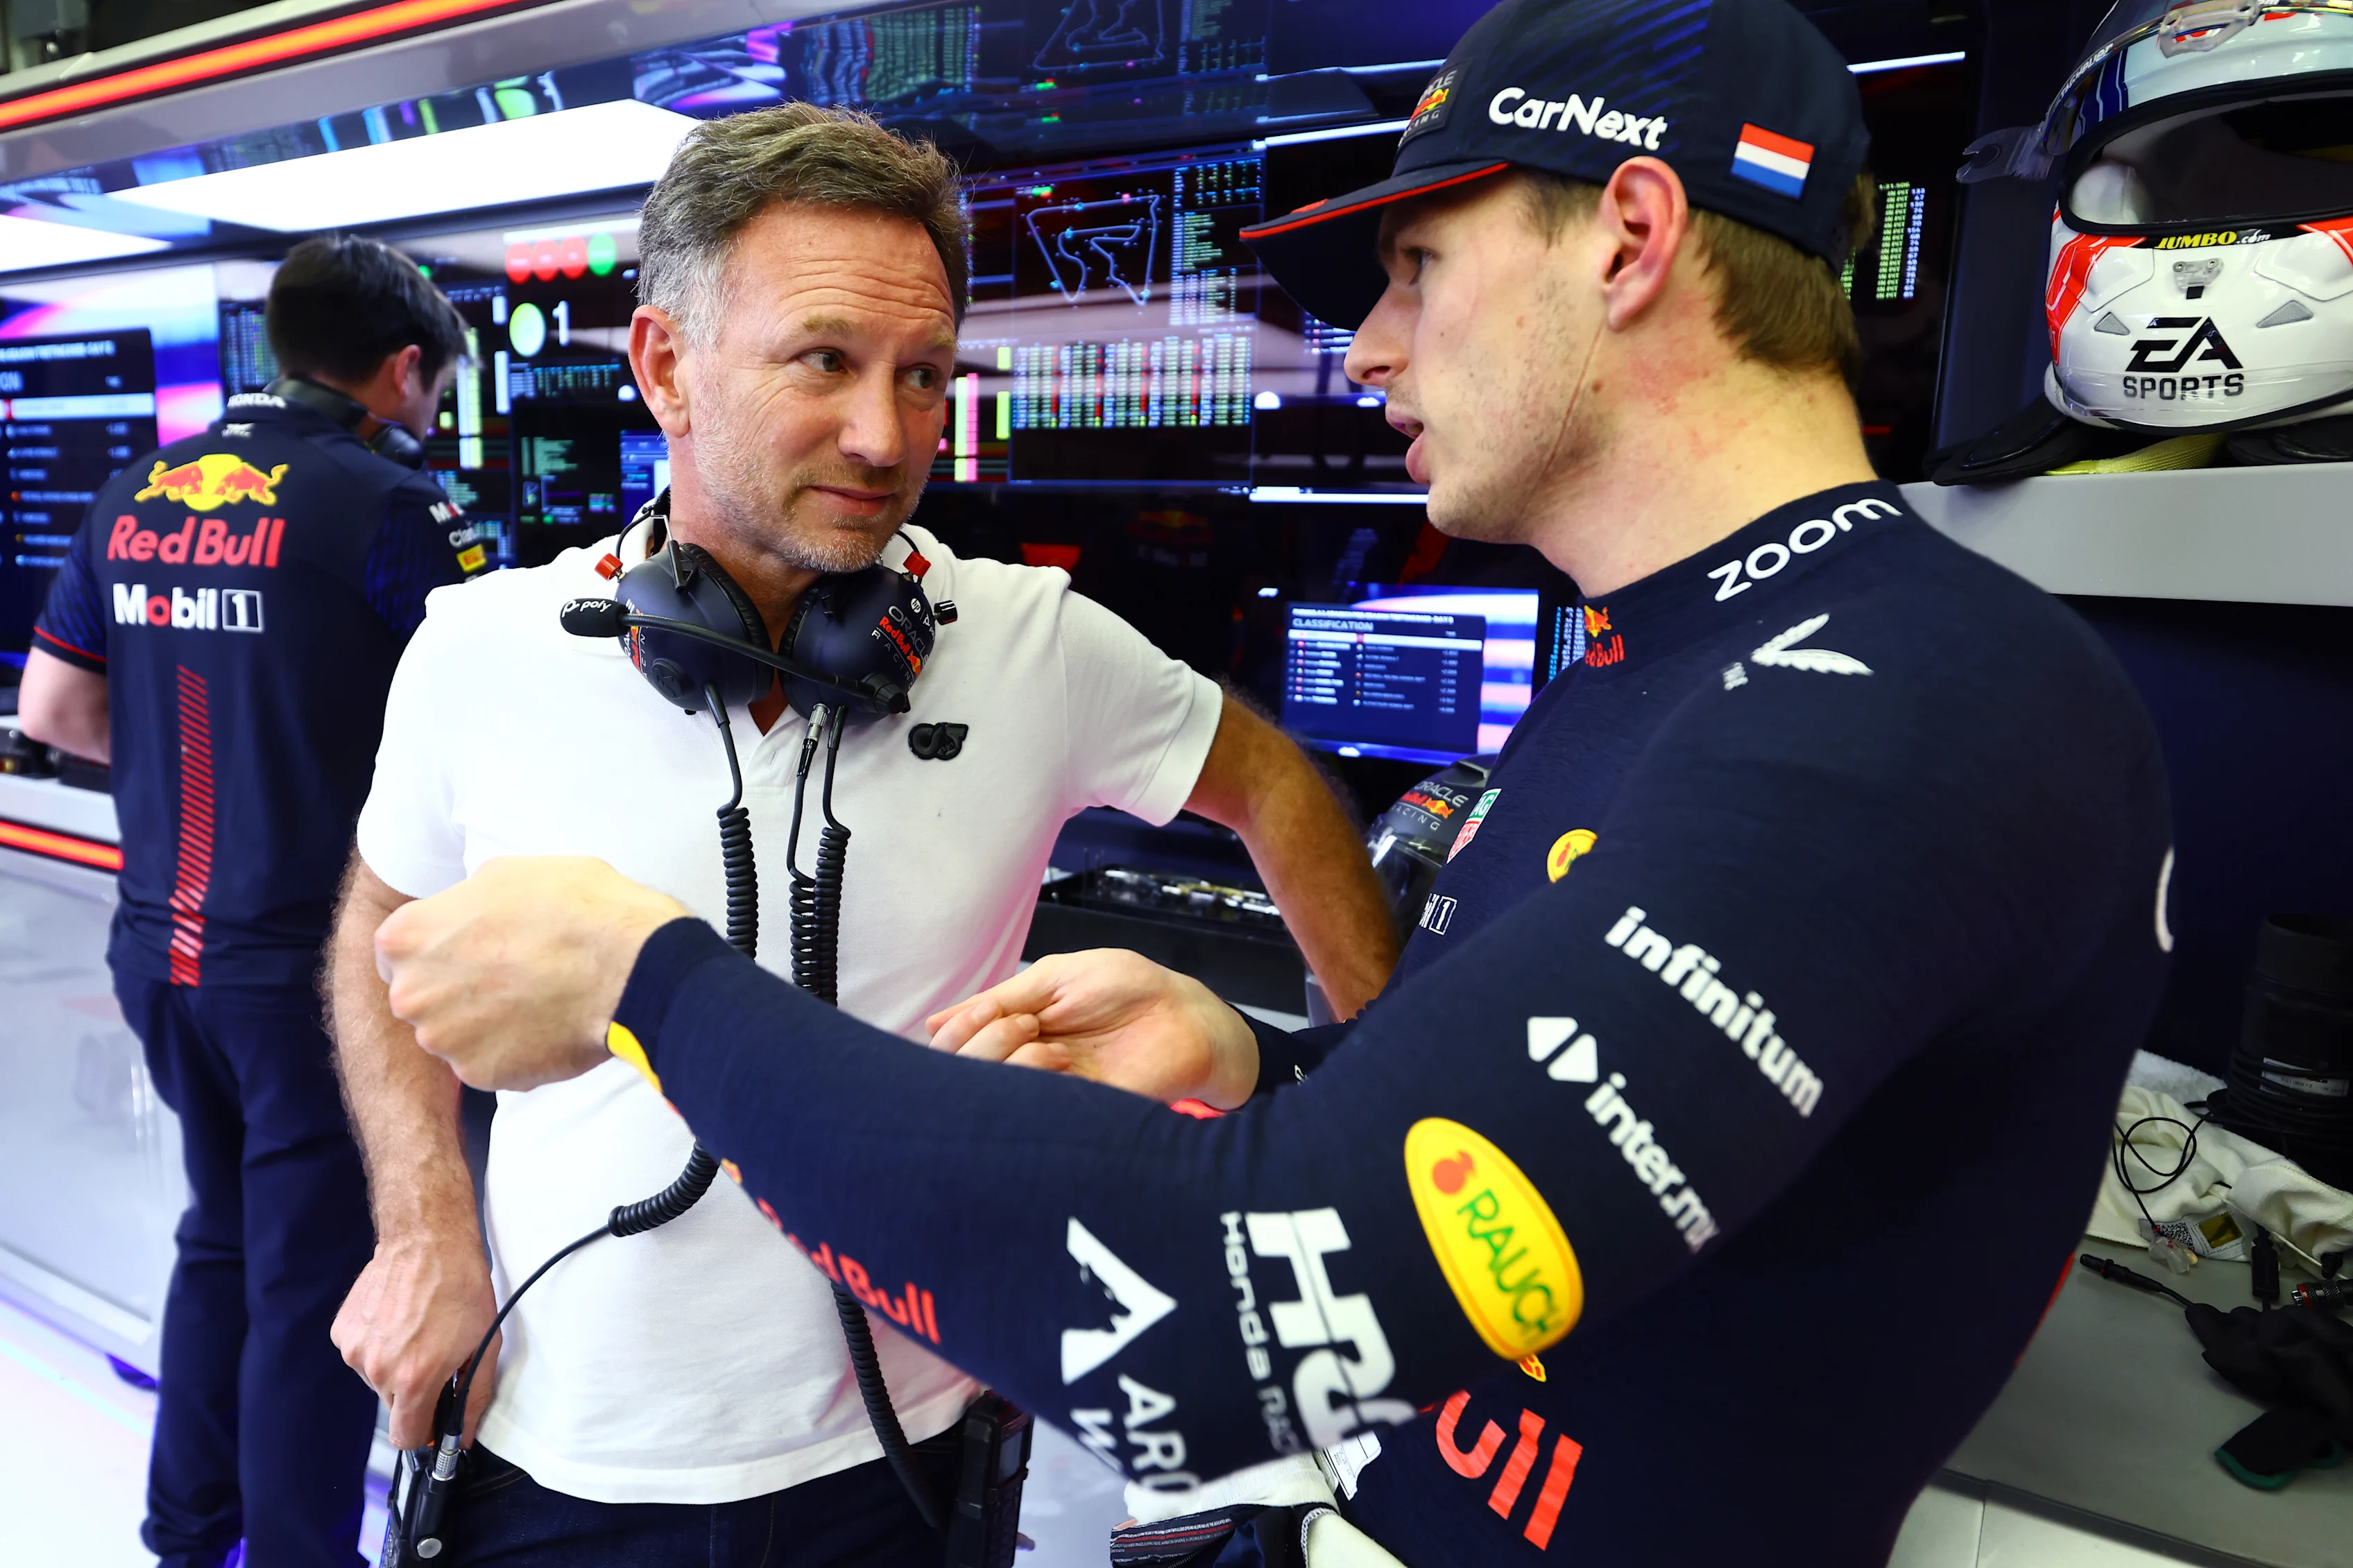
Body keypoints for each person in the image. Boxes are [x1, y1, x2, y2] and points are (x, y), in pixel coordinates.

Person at [363, 0, 2177, 1560]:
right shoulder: (1658, 668)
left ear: (1629, 236)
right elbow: (1563, 1166)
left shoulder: (1917, 693)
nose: (1369, 346)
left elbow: (1215, 1322)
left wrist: (649, 981)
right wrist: (1265, 1065)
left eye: (1417, 268)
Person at [325, 102, 1397, 1562]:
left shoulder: (1029, 642)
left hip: (916, 1458)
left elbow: (1272, 784)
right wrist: (422, 1226)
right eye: (824, 360)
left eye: (925, 374)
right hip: (552, 1441)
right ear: (665, 367)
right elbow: (376, 929)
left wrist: (1375, 1096)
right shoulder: (482, 646)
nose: (887, 436)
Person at [15, 234, 481, 1566]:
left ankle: (187, 1534)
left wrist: (191, 753)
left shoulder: (132, 492)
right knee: (310, 1278)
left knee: (221, 1239)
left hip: (158, 954)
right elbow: (488, 729)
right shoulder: (390, 507)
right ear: (403, 370)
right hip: (307, 977)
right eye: (435, 387)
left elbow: (54, 711)